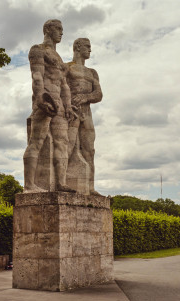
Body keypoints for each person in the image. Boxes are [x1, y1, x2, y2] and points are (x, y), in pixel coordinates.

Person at [23, 19, 76, 193]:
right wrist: (40, 98)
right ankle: (29, 185)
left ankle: (61, 183)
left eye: (62, 29)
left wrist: (67, 105)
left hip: (59, 103)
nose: (62, 32)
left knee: (62, 142)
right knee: (36, 141)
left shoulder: (59, 58)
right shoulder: (38, 49)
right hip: (45, 99)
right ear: (47, 29)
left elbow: (64, 84)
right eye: (58, 28)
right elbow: (37, 76)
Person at [66, 38, 103, 195]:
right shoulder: (66, 68)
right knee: (66, 146)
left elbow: (99, 94)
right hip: (70, 112)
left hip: (86, 113)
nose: (90, 50)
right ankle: (61, 183)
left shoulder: (92, 72)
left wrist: (85, 98)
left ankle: (90, 187)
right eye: (87, 46)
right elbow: (61, 88)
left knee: (89, 150)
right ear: (77, 47)